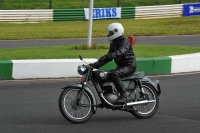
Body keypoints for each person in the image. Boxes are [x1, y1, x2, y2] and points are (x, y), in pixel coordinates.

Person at [91, 22, 137, 103]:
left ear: (116, 32)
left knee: (115, 74)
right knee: (103, 74)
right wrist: (96, 65)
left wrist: (110, 56)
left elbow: (122, 51)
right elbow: (108, 57)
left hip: (129, 66)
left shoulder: (124, 40)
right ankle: (108, 95)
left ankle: (124, 95)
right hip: (120, 66)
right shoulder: (113, 43)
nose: (109, 34)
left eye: (110, 33)